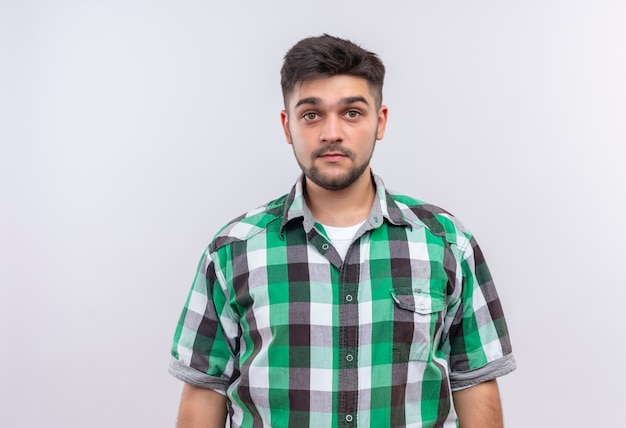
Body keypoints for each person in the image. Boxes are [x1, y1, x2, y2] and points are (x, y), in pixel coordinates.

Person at [169, 34, 516, 427]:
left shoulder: (447, 243)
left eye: (351, 112)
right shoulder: (232, 251)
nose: (331, 133)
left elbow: (475, 383)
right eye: (311, 114)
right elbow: (203, 390)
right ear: (288, 126)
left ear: (379, 121)